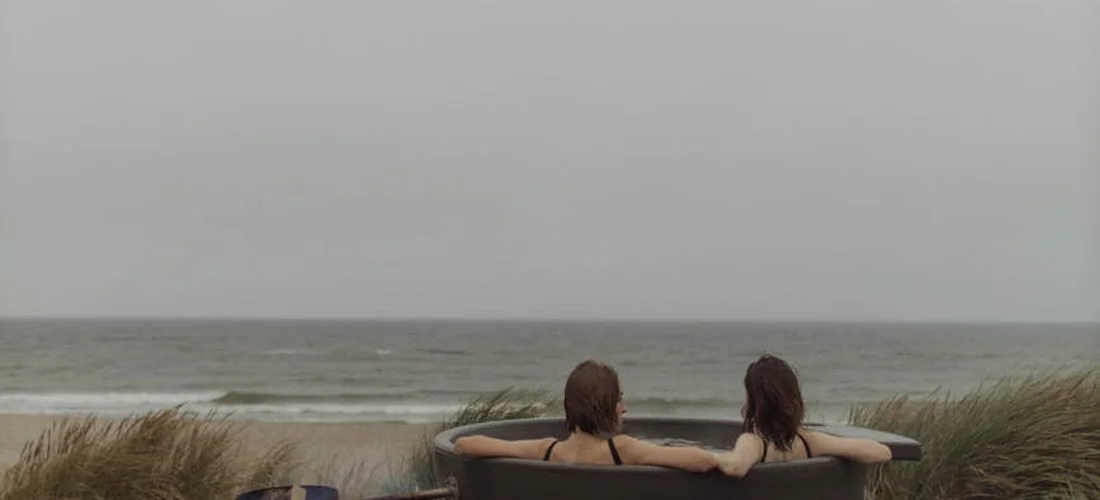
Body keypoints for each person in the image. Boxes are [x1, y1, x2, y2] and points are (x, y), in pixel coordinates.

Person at [453, 360, 718, 473]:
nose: (624, 408)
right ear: (602, 404)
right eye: (618, 399)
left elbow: (465, 444)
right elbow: (702, 460)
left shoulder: (547, 450)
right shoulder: (622, 449)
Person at [713, 354, 893, 477]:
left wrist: (708, 458)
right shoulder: (810, 441)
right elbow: (882, 452)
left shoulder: (753, 442)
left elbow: (736, 466)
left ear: (753, 399)